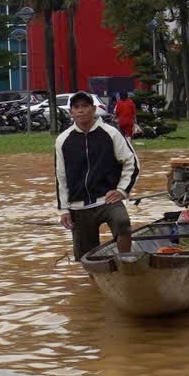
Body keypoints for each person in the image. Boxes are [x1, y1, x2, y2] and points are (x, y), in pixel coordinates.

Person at [54, 91, 138, 258]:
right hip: (78, 205)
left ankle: (126, 261)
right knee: (86, 257)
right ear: (71, 112)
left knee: (122, 223)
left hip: (107, 199)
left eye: (85, 106)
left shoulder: (111, 133)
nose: (81, 110)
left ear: (93, 109)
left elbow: (131, 163)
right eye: (76, 107)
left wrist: (122, 190)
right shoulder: (63, 140)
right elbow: (60, 177)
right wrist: (63, 210)